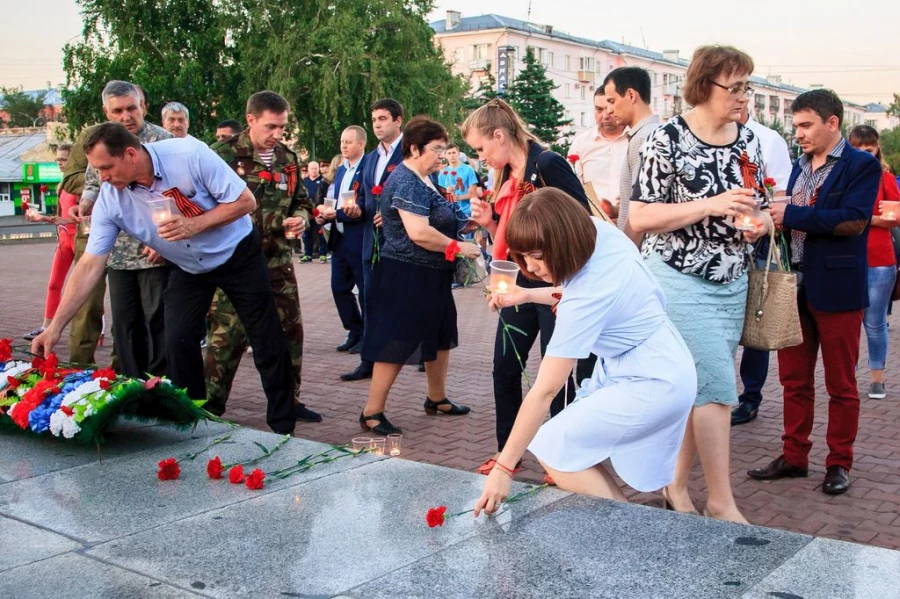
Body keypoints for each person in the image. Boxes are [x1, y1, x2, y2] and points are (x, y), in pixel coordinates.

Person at [33, 123, 304, 435]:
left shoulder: (189, 154)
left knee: (265, 336)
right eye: (97, 169)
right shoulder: (111, 199)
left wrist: (194, 225)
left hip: (237, 254)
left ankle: (283, 426)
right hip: (187, 266)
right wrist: (54, 327)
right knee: (178, 340)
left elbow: (245, 203)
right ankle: (195, 421)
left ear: (130, 154)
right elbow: (90, 265)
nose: (101, 178)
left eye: (106, 167)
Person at [475, 189, 696, 515]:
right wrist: (527, 295)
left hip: (652, 379)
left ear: (563, 240)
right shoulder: (597, 233)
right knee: (567, 445)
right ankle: (629, 524)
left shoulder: (587, 293)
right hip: (657, 360)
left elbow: (545, 391)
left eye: (538, 255)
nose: (532, 268)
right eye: (525, 257)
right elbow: (583, 291)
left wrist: (504, 468)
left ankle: (631, 530)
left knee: (553, 446)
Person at [629, 45, 769, 523]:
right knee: (715, 387)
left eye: (747, 86)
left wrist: (759, 223)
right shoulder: (665, 138)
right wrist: (709, 205)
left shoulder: (747, 140)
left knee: (698, 385)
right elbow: (643, 215)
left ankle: (675, 486)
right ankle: (721, 502)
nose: (743, 96)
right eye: (735, 87)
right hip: (678, 277)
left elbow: (762, 207)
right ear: (705, 85)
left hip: (732, 279)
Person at [750, 91, 881, 495]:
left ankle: (839, 462)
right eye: (796, 126)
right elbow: (793, 219)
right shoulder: (799, 166)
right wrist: (768, 223)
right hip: (794, 285)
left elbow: (854, 222)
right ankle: (794, 457)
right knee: (793, 380)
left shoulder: (860, 165)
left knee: (841, 384)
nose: (798, 133)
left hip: (838, 288)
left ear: (833, 122)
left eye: (806, 125)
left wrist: (791, 214)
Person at [461, 98, 590, 481]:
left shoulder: (547, 164)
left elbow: (579, 218)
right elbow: (512, 234)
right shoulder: (507, 176)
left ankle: (560, 459)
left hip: (552, 287)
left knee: (556, 377)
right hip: (517, 285)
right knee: (505, 367)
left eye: (481, 148)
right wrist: (490, 222)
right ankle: (508, 454)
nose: (480, 157)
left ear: (499, 135)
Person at [205, 91, 320, 423]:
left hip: (277, 262)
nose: (277, 134)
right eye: (271, 126)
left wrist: (301, 219)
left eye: (282, 127)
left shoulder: (288, 158)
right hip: (234, 264)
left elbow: (302, 201)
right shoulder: (222, 156)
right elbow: (207, 208)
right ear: (251, 119)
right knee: (226, 338)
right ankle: (208, 408)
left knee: (289, 334)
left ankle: (289, 403)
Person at [359, 116, 476, 435]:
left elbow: (435, 220)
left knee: (439, 335)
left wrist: (465, 226)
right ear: (414, 149)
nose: (442, 155)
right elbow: (419, 233)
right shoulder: (407, 180)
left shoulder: (426, 179)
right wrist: (458, 246)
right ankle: (372, 411)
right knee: (396, 340)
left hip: (430, 273)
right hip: (406, 274)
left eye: (444, 149)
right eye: (437, 149)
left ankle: (436, 398)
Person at [79, 80, 172, 378]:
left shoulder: (163, 140)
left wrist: (162, 239)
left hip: (154, 251)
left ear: (143, 106)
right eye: (117, 110)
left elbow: (178, 194)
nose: (125, 116)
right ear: (106, 111)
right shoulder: (100, 141)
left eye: (131, 108)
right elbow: (94, 182)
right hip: (118, 253)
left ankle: (160, 386)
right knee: (125, 324)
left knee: (158, 321)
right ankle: (131, 386)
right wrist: (85, 204)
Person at [731, 105, 793, 426]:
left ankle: (750, 397)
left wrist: (761, 220)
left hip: (758, 242)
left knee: (756, 319)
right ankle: (718, 393)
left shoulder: (768, 140)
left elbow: (781, 197)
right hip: (719, 245)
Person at [341, 98, 405, 383]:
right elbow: (366, 198)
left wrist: (393, 215)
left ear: (398, 120)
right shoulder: (369, 159)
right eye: (375, 120)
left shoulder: (410, 152)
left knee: (406, 303)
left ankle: (424, 357)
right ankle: (368, 361)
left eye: (383, 119)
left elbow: (423, 193)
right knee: (371, 302)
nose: (378, 124)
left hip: (402, 244)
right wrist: (356, 209)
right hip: (372, 243)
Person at [848, 125, 900, 400]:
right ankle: (849, 377)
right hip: (848, 258)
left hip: (880, 259)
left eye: (869, 150)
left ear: (877, 148)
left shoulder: (885, 178)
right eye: (857, 150)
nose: (864, 155)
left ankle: (877, 378)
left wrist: (865, 220)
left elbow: (896, 217)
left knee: (875, 323)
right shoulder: (843, 178)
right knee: (849, 322)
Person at [318, 126, 368, 356]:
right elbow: (336, 200)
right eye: (342, 141)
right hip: (339, 238)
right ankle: (354, 330)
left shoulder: (367, 168)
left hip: (358, 237)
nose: (344, 146)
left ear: (361, 144)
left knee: (365, 289)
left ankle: (367, 335)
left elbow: (366, 204)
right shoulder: (340, 170)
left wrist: (336, 214)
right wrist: (324, 215)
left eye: (349, 142)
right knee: (339, 287)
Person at [23, 144, 78, 341]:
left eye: (64, 159)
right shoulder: (62, 184)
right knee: (54, 284)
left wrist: (67, 221)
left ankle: (96, 328)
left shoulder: (81, 183)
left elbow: (90, 216)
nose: (60, 163)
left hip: (80, 239)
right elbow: (60, 217)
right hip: (63, 240)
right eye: (58, 159)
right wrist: (41, 218)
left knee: (86, 288)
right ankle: (46, 326)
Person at [602, 66, 661, 246]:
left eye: (612, 101)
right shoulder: (651, 133)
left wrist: (625, 252)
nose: (608, 111)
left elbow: (642, 207)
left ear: (631, 95)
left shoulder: (645, 138)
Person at [568, 88, 628, 220]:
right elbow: (573, 188)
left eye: (609, 109)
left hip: (632, 226)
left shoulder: (636, 141)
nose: (605, 115)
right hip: (594, 226)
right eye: (599, 110)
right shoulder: (581, 144)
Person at [300, 161, 328, 262]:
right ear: (308, 170)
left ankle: (323, 254)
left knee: (321, 233)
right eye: (311, 168)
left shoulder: (323, 181)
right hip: (308, 211)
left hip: (319, 211)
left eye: (315, 168)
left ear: (318, 169)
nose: (313, 170)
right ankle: (308, 254)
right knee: (307, 233)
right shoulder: (304, 181)